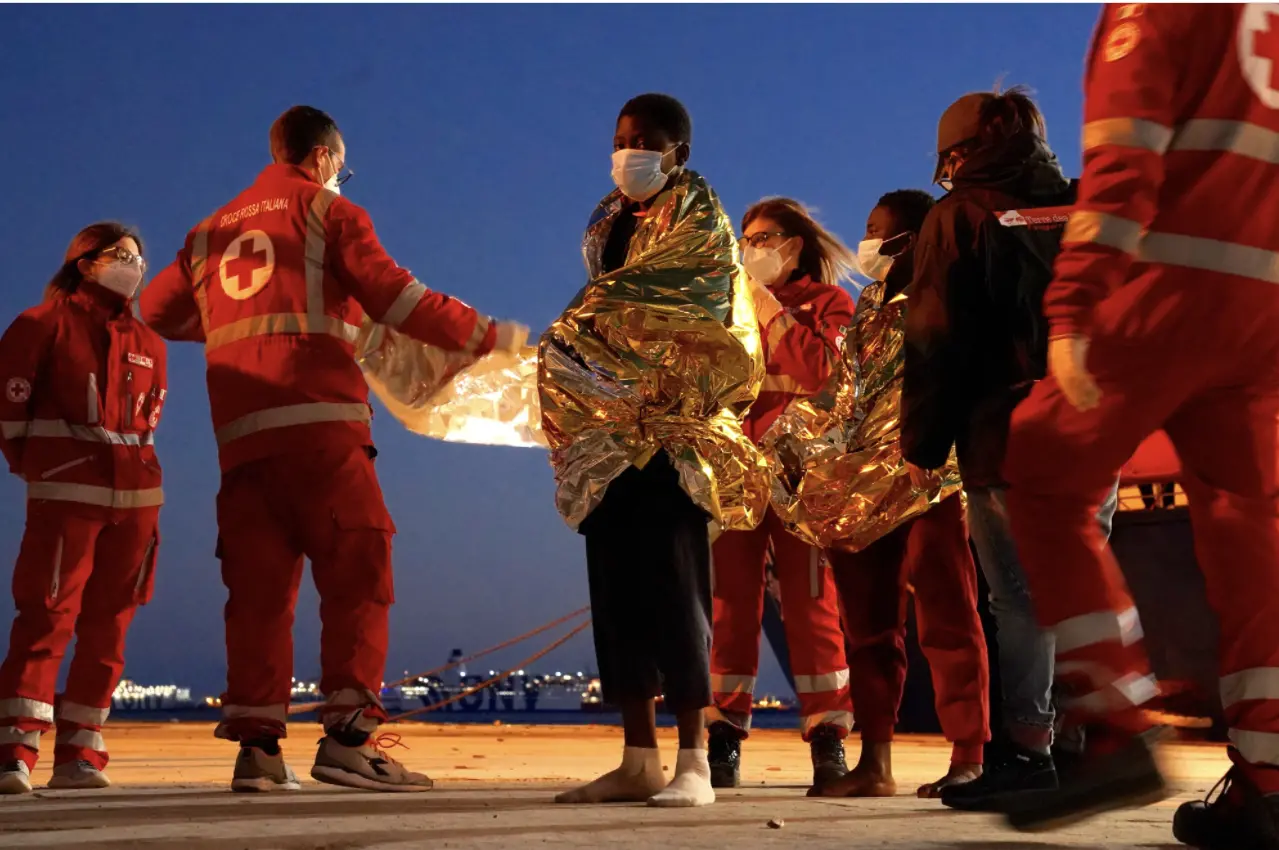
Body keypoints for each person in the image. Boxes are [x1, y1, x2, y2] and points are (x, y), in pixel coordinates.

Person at [140, 105, 527, 793]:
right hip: (320, 430)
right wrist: (491, 336)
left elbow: (157, 312)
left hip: (241, 445)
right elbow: (399, 299)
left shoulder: (207, 232)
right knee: (358, 576)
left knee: (257, 597)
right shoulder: (328, 214)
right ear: (321, 158)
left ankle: (257, 751)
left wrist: (239, 329)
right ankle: (349, 739)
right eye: (341, 167)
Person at [1000, 5, 1279, 842]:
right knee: (1252, 532)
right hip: (1265, 308)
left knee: (1045, 469)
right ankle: (1266, 779)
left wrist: (1074, 301)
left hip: (1169, 285)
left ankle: (1116, 726)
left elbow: (1124, 162)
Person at [539, 93, 765, 809]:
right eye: (620, 138)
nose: (628, 151)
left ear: (678, 153)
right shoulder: (608, 219)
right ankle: (638, 756)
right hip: (606, 430)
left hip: (670, 431)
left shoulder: (700, 219)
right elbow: (606, 306)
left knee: (674, 587)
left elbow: (663, 305)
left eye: (643, 140)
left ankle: (693, 760)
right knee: (615, 587)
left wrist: (577, 329)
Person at [901, 86, 1119, 812]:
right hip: (1090, 434)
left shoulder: (959, 216)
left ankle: (1025, 749)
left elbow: (936, 339)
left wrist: (921, 444)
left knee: (1019, 601)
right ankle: (1081, 743)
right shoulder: (1085, 206)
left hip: (1004, 438)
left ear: (961, 152)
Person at [820, 190, 991, 800]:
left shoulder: (947, 296)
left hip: (931, 476)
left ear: (913, 240)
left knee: (948, 614)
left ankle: (970, 753)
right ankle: (877, 761)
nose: (866, 242)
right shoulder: (867, 306)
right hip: (866, 484)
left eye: (877, 231)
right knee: (868, 627)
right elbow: (844, 395)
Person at [0, 223, 165, 794]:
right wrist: (45, 468)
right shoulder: (38, 326)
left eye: (138, 257)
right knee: (45, 618)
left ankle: (81, 755)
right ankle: (13, 752)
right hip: (67, 496)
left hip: (138, 503)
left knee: (109, 629)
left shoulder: (151, 343)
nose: (132, 264)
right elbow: (10, 413)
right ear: (84, 263)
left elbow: (149, 422)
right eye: (119, 255)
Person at [707, 198, 856, 793]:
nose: (751, 249)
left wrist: (767, 309)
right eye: (746, 239)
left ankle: (828, 739)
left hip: (800, 478)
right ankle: (722, 736)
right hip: (736, 477)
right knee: (730, 608)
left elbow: (821, 370)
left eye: (763, 238)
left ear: (794, 246)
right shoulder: (724, 306)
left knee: (813, 606)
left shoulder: (830, 305)